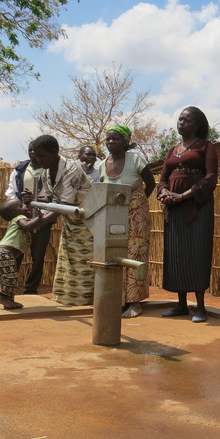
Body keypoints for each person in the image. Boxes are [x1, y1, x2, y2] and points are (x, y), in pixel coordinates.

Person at [157, 106, 218, 323]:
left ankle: (200, 307)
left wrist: (182, 196)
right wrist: (164, 193)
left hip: (197, 207)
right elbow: (163, 177)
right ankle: (181, 305)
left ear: (198, 124)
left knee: (196, 252)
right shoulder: (173, 149)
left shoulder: (206, 147)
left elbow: (210, 178)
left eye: (186, 120)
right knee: (177, 254)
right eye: (179, 119)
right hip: (173, 209)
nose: (181, 123)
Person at [27, 134, 94, 306]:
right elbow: (52, 201)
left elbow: (63, 204)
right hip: (71, 221)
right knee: (69, 263)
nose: (38, 160)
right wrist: (32, 199)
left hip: (89, 221)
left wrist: (38, 222)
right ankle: (69, 299)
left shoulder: (71, 169)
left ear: (55, 152)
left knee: (84, 263)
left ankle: (86, 302)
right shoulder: (46, 172)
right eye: (36, 156)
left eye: (42, 156)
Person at [99, 125, 156, 318]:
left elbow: (151, 183)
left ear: (125, 141)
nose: (110, 142)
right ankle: (118, 299)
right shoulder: (102, 163)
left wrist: (138, 203)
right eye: (108, 139)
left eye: (115, 139)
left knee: (135, 254)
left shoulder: (135, 159)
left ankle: (134, 302)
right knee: (114, 252)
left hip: (136, 215)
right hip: (112, 215)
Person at [4, 142, 55, 295]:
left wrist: (42, 214)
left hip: (43, 219)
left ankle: (31, 289)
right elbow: (10, 192)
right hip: (22, 219)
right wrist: (19, 204)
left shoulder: (50, 171)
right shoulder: (19, 170)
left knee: (38, 257)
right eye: (30, 150)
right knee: (15, 253)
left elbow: (54, 195)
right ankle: (6, 288)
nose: (33, 153)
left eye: (36, 151)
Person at [0, 199, 45, 309]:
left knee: (10, 277)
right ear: (15, 213)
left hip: (2, 253)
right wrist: (40, 218)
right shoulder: (19, 218)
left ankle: (9, 300)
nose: (25, 207)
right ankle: (3, 297)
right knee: (11, 276)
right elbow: (27, 226)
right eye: (21, 206)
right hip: (4, 253)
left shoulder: (20, 219)